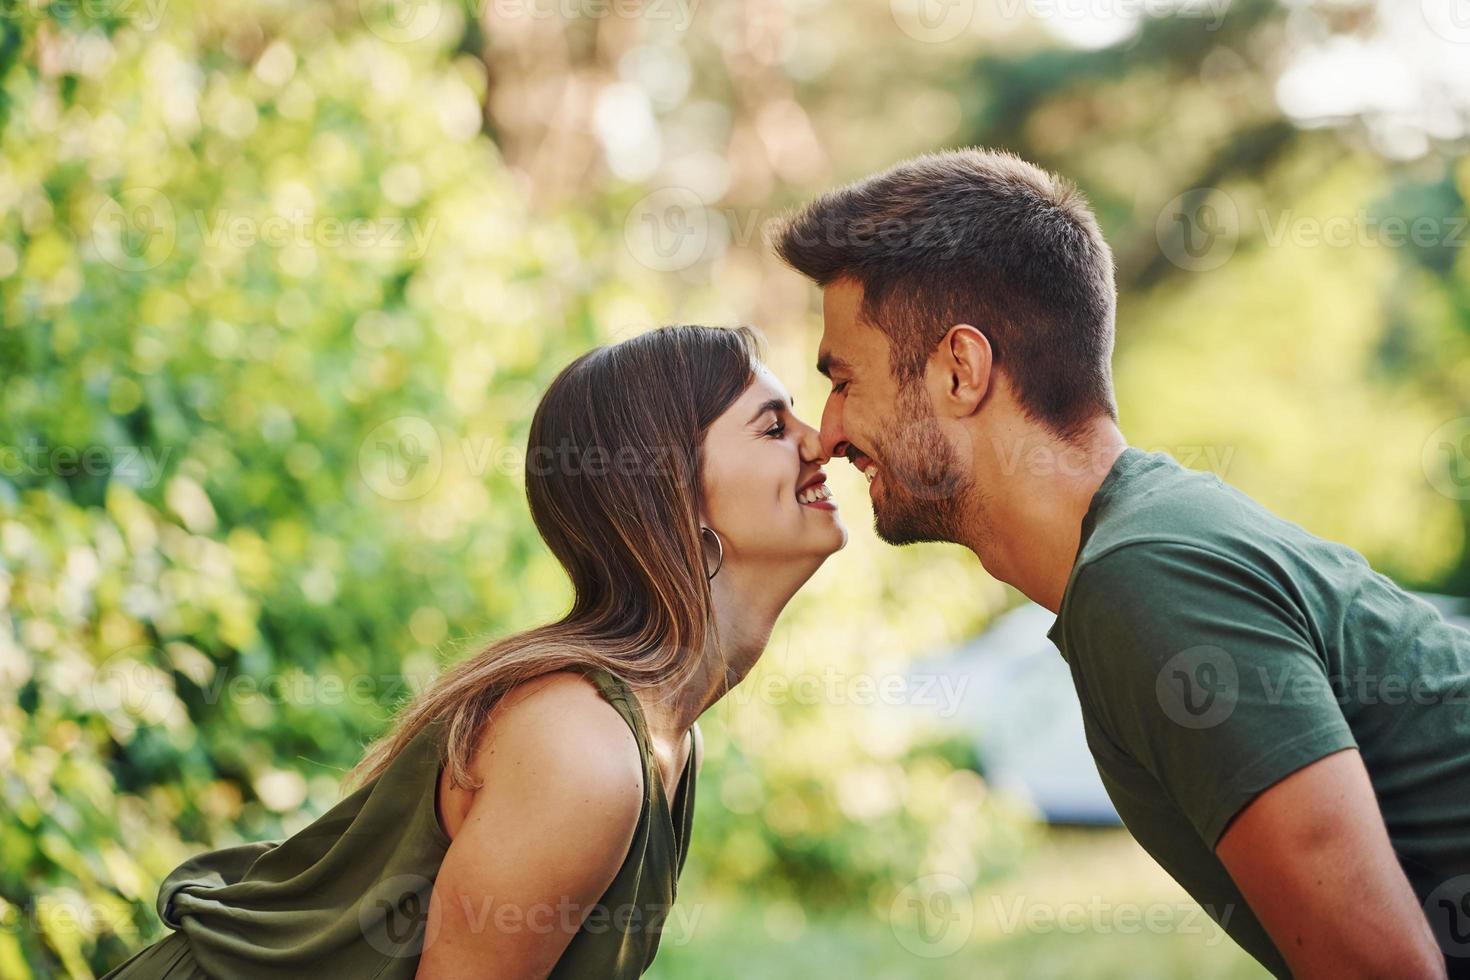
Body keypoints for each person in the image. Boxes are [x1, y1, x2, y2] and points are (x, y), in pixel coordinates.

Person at [773, 147, 1470, 980]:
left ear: (960, 369)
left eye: (845, 379)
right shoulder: (1143, 546)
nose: (829, 431)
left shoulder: (1146, 577)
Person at [101, 324, 847, 979]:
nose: (819, 441)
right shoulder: (581, 748)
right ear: (674, 496)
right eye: (772, 428)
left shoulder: (664, 739)